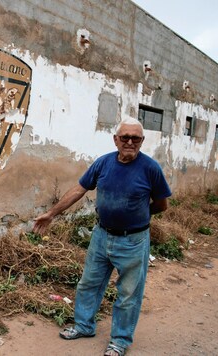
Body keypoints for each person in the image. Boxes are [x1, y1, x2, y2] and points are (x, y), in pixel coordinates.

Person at [33, 118, 171, 356]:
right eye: (124, 137)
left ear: (142, 141)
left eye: (135, 138)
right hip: (101, 235)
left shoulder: (151, 169)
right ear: (115, 139)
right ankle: (84, 326)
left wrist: (137, 217)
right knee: (89, 284)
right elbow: (79, 189)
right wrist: (51, 214)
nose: (129, 142)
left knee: (128, 294)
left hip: (133, 241)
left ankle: (119, 340)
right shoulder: (103, 163)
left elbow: (161, 205)